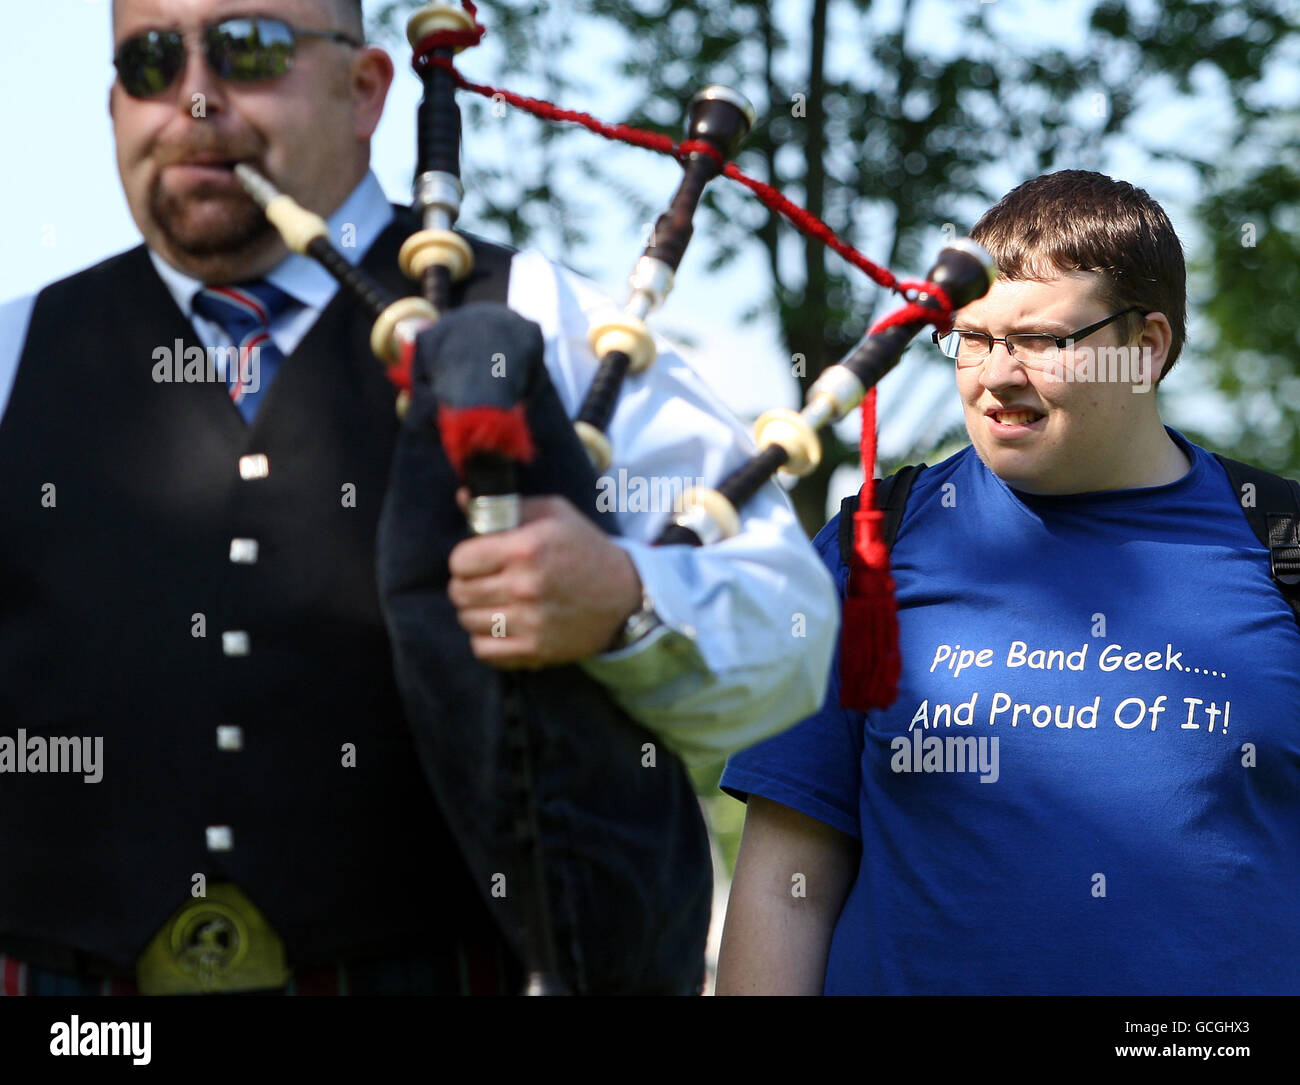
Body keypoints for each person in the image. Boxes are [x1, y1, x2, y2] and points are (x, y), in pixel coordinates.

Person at [0, 0, 837, 995]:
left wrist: (620, 594)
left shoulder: (537, 318)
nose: (192, 95)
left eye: (247, 49)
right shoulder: (19, 349)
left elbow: (790, 627)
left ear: (366, 90)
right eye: (147, 61)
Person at [716, 170, 1300, 996]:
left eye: (1038, 341)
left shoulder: (1283, 544)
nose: (994, 374)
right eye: (974, 337)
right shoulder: (868, 549)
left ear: (1147, 346)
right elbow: (785, 883)